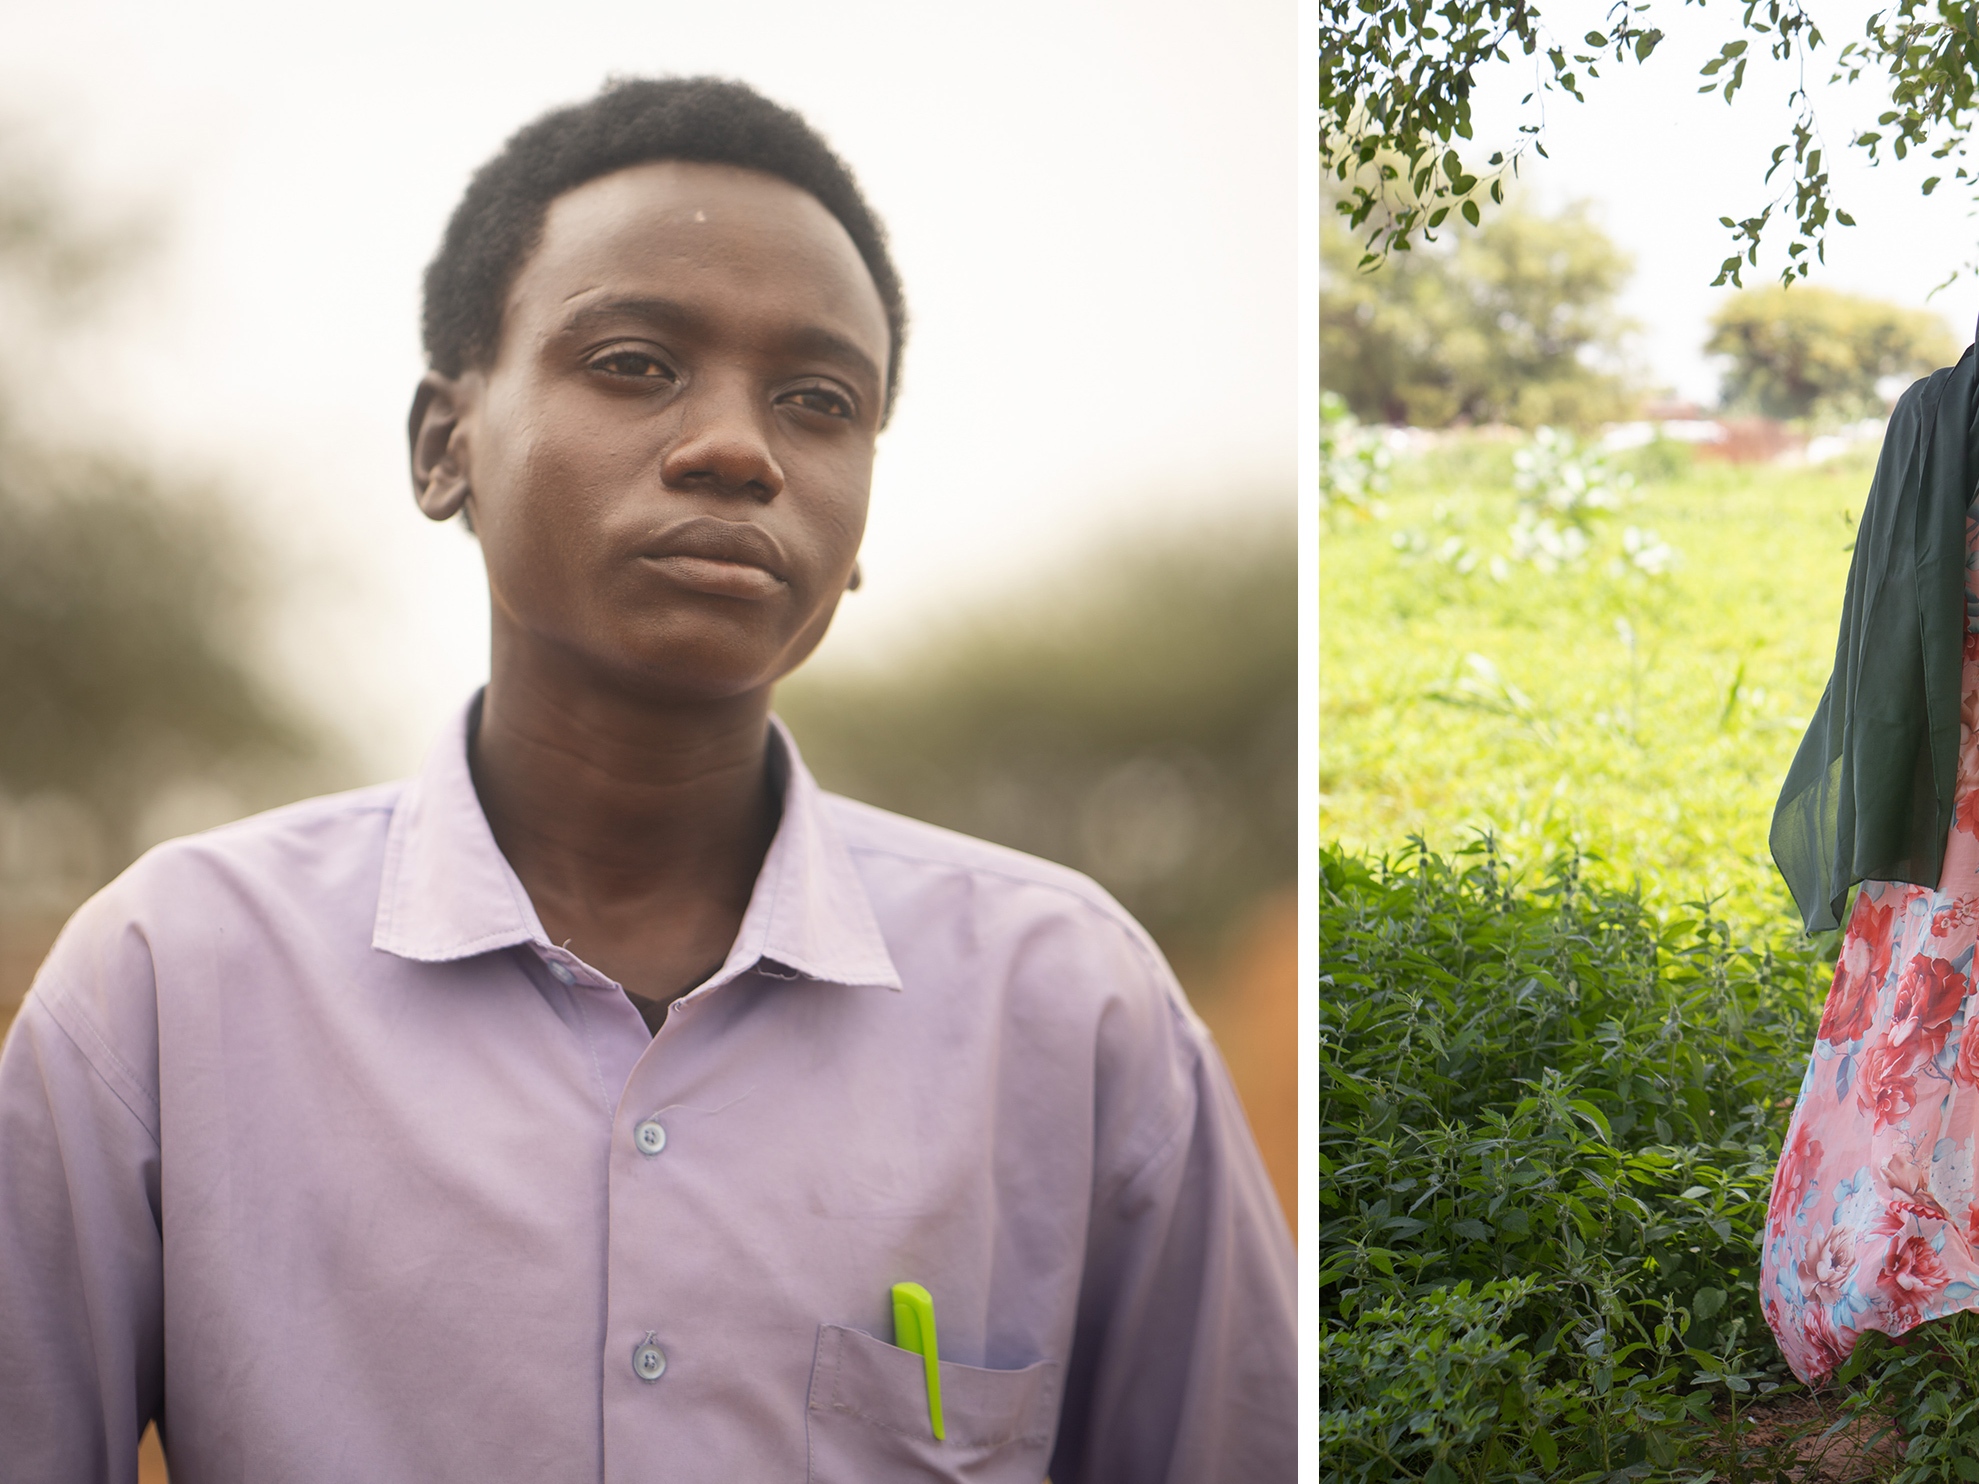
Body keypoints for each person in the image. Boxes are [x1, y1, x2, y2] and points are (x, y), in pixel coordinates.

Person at [0, 77, 1295, 1482]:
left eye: (817, 402)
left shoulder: (1068, 1010)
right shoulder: (168, 980)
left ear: (857, 515)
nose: (737, 448)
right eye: (632, 363)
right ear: (446, 448)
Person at [1762, 335, 1979, 1382]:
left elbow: (1895, 615)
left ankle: (1898, 1269)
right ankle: (1897, 1272)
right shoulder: (1935, 417)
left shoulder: (1929, 418)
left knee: (1918, 1014)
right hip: (1958, 790)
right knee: (1926, 1015)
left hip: (1946, 780)